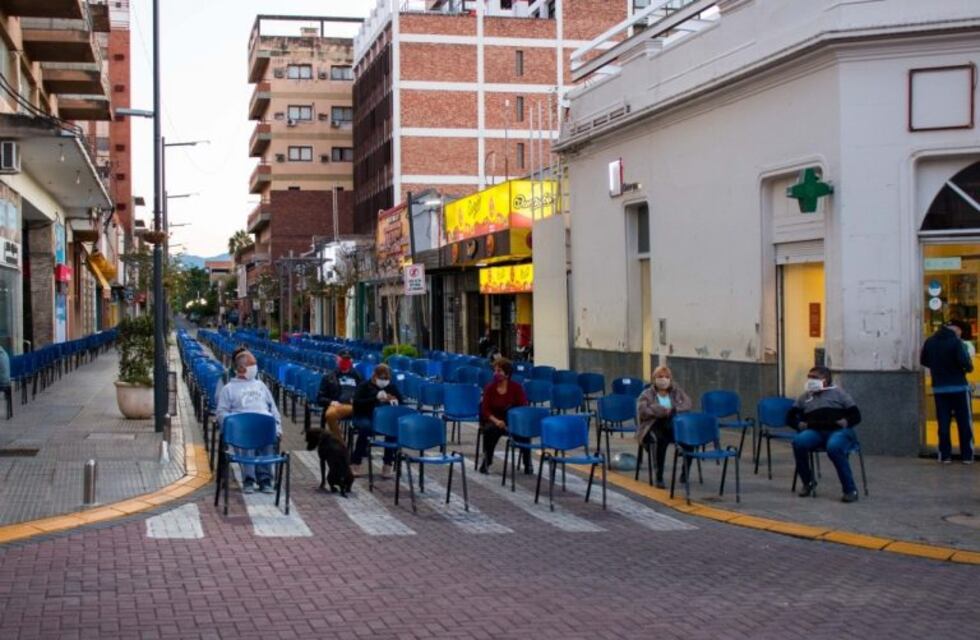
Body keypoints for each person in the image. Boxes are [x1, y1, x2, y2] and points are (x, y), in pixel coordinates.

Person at [788, 366, 863, 502]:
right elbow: (790, 417)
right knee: (798, 442)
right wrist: (799, 425)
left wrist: (846, 421)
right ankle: (808, 482)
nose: (810, 380)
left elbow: (856, 415)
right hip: (815, 431)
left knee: (834, 447)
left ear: (825, 379)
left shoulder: (839, 393)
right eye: (809, 377)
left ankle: (850, 490)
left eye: (814, 378)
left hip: (838, 431)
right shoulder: (805, 397)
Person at [215, 349, 282, 494]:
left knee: (268, 434)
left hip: (264, 428)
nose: (255, 367)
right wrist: (233, 428)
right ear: (241, 368)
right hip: (243, 431)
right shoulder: (228, 389)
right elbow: (221, 412)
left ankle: (265, 479)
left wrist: (277, 427)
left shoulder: (261, 385)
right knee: (246, 436)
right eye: (252, 364)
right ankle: (249, 479)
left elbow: (273, 408)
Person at [921, 321, 975, 464]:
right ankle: (967, 456)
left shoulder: (930, 341)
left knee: (943, 423)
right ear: (956, 329)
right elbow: (965, 363)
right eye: (960, 331)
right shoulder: (956, 342)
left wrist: (938, 369)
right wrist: (967, 368)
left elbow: (924, 360)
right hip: (959, 387)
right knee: (964, 423)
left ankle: (945, 455)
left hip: (939, 388)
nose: (960, 334)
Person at [636, 365, 692, 488]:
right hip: (653, 425)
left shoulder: (676, 391)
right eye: (660, 376)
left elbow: (687, 404)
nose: (663, 379)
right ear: (654, 378)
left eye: (666, 377)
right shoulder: (647, 394)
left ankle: (685, 473)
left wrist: (674, 409)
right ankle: (659, 477)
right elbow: (643, 411)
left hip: (672, 424)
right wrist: (659, 410)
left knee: (689, 440)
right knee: (660, 441)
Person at [350, 364, 403, 478]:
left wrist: (394, 400)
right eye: (381, 378)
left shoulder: (391, 387)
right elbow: (357, 403)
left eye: (386, 378)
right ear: (374, 376)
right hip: (364, 415)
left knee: (392, 430)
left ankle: (388, 463)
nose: (383, 381)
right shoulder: (364, 386)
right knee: (365, 429)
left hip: (384, 419)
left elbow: (401, 402)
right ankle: (356, 462)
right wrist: (375, 398)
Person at [478, 358, 528, 474]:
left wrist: (512, 421)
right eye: (495, 371)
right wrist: (497, 421)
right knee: (490, 431)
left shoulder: (516, 388)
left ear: (507, 373)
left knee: (524, 433)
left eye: (499, 371)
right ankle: (487, 460)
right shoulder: (489, 388)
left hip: (511, 420)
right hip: (493, 420)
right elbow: (485, 410)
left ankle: (527, 462)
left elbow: (523, 407)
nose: (496, 373)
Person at [310, 349, 363, 448]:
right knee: (330, 414)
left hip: (355, 406)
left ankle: (359, 450)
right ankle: (341, 444)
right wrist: (331, 402)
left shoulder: (358, 377)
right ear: (337, 360)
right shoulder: (329, 377)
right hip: (338, 406)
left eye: (347, 360)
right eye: (343, 359)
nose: (345, 362)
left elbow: (365, 392)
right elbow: (320, 398)